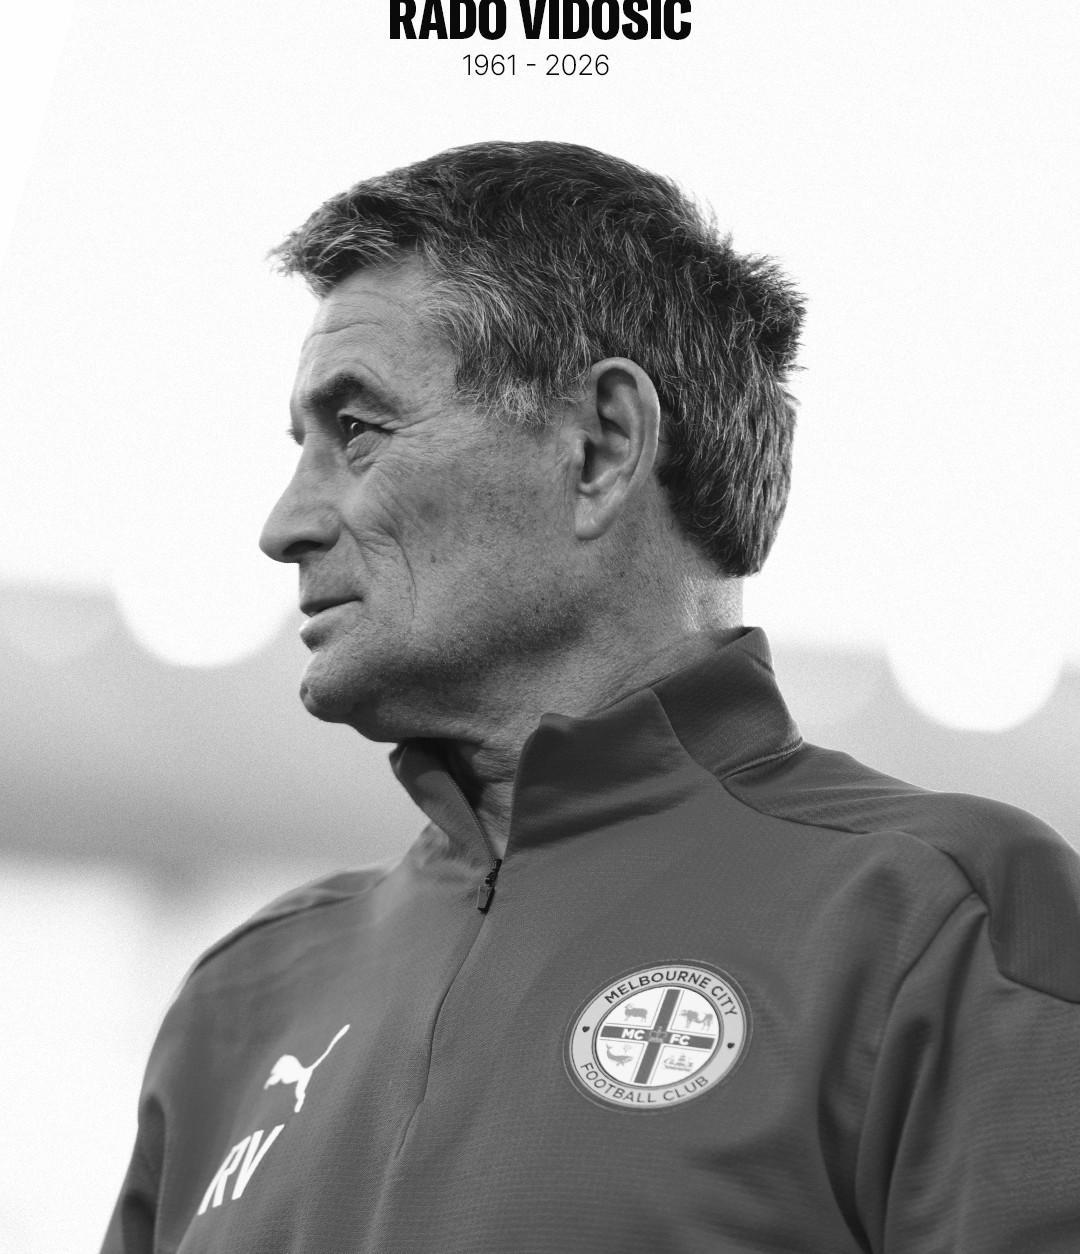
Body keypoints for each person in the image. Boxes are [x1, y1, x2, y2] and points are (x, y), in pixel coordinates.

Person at [101, 142, 1080, 1253]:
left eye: (357, 431)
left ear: (602, 446)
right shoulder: (242, 1000)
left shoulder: (939, 921)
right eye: (302, 447)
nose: (285, 524)